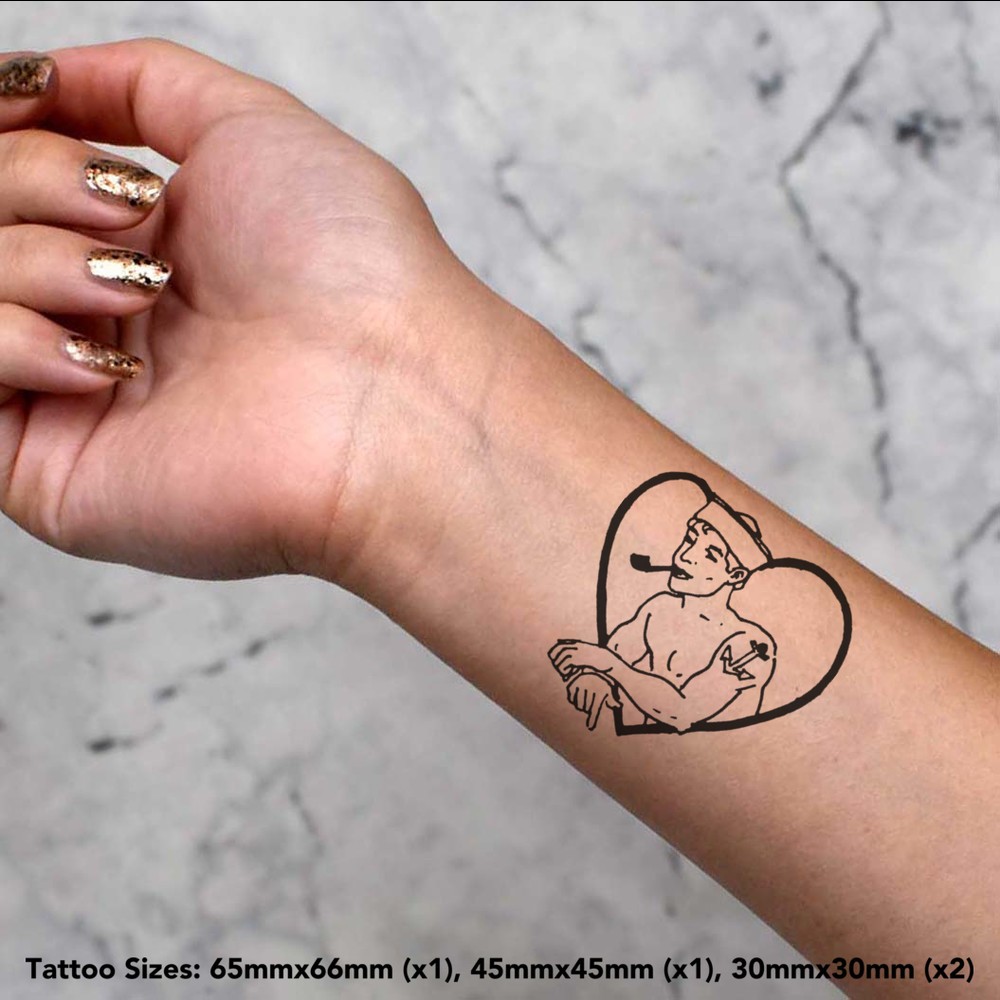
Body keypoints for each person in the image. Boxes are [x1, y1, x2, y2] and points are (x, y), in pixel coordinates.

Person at [0, 42, 997, 998]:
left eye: (708, 555)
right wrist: (385, 404)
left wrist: (387, 401)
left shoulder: (724, 639)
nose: (692, 556)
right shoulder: (668, 611)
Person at [551, 497, 777, 732]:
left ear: (736, 575)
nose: (684, 556)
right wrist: (593, 678)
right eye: (690, 540)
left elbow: (683, 712)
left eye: (710, 555)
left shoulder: (751, 646)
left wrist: (607, 666)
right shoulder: (660, 607)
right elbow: (614, 653)